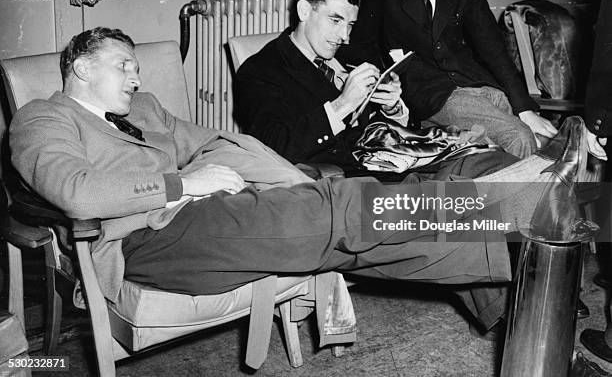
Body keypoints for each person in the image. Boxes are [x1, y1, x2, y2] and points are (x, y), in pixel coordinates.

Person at [9, 27, 586, 338]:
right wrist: (182, 185)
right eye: (123, 65)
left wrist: (282, 180)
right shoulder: (45, 118)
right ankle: (523, 206)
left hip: (214, 211)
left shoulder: (147, 110)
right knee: (337, 211)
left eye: (138, 65)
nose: (137, 75)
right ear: (82, 68)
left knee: (346, 230)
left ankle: (517, 255)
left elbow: (219, 142)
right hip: (151, 236)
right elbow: (78, 193)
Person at [235, 0, 517, 179]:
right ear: (304, 10)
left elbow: (386, 121)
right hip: (364, 180)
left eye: (350, 25)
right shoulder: (261, 71)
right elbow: (272, 148)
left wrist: (393, 105)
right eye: (335, 20)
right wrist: (342, 105)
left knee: (497, 162)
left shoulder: (344, 55)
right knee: (482, 192)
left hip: (404, 154)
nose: (344, 37)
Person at [341, 0, 558, 159]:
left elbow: (492, 47)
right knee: (519, 136)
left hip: (474, 83)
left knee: (537, 135)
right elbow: (359, 47)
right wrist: (389, 74)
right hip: (427, 92)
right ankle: (524, 199)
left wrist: (524, 106)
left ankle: (499, 191)